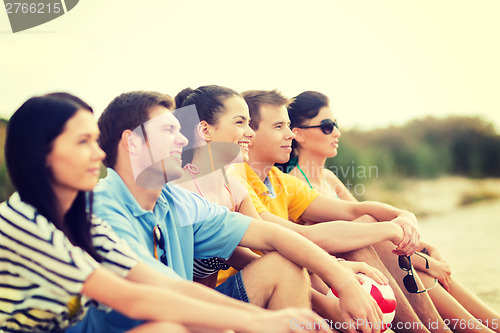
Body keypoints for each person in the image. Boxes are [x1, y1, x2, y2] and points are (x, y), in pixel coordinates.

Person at [0, 93, 331, 333]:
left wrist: (264, 320)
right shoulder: (26, 224)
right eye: (83, 141)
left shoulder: (79, 221)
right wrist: (253, 320)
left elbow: (168, 286)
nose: (98, 152)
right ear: (42, 152)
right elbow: (134, 300)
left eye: (96, 140)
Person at [74, 90, 387, 333]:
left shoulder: (174, 200)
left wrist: (340, 278)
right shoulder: (101, 209)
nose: (183, 139)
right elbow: (163, 292)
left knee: (283, 264)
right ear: (132, 141)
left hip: (185, 314)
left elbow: (272, 235)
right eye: (169, 130)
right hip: (153, 322)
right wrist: (254, 320)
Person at [230, 89, 458, 333]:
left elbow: (352, 211)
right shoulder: (237, 178)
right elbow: (299, 237)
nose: (289, 134)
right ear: (252, 135)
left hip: (295, 275)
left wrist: (403, 216)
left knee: (367, 224)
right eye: (278, 127)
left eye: (288, 125)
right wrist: (387, 231)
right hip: (259, 283)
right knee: (362, 236)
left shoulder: (279, 179)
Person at [284, 90, 500, 333]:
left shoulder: (328, 178)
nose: (336, 132)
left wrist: (425, 249)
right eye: (326, 126)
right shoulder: (295, 184)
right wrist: (425, 262)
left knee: (425, 271)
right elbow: (362, 234)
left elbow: (371, 227)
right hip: (342, 273)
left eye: (335, 124)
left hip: (376, 262)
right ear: (298, 134)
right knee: (424, 273)